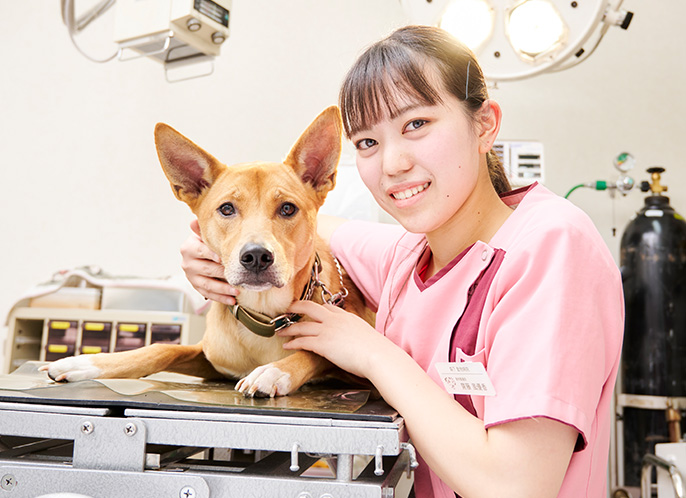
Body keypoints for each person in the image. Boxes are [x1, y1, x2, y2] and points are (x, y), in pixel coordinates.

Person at [181, 25, 624, 498]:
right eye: (368, 143)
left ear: (485, 124)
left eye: (416, 124)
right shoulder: (408, 255)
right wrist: (209, 251)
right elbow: (308, 224)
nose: (392, 164)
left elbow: (516, 485)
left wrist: (372, 353)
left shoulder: (554, 246)